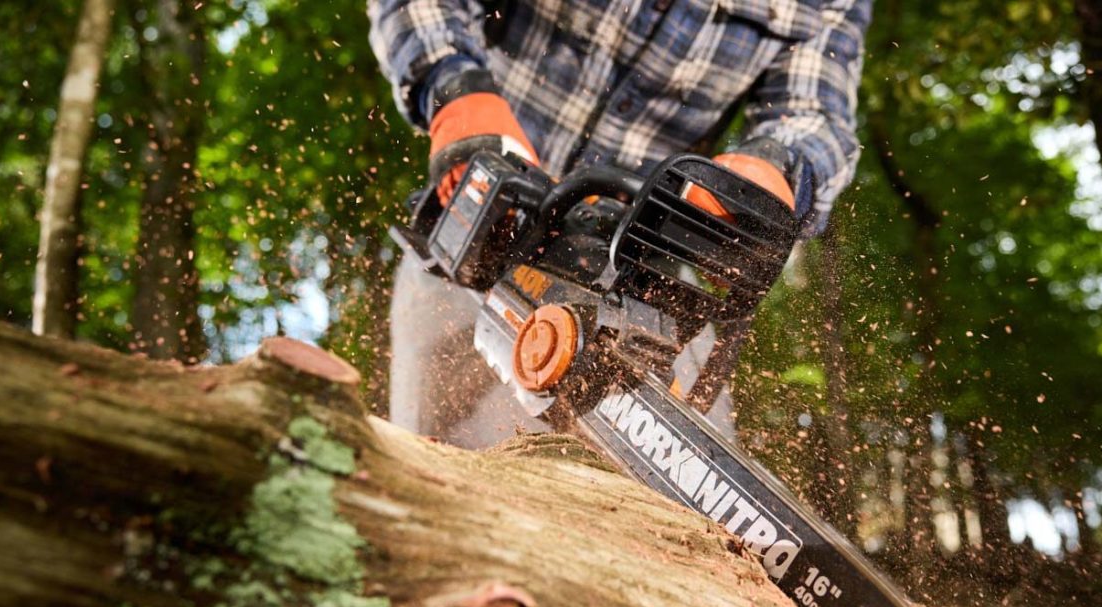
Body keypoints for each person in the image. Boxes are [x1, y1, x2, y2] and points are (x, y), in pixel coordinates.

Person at [369, 0, 872, 448]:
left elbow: (813, 114)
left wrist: (773, 166)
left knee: (685, 486)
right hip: (485, 232)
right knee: (427, 459)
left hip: (642, 271)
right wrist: (457, 89)